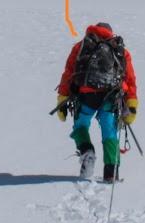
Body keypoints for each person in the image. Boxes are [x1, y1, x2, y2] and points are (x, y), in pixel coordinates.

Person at [54, 22, 138, 183]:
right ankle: (111, 172)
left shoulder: (81, 47)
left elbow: (68, 74)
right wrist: (131, 104)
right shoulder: (120, 50)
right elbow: (130, 80)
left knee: (80, 126)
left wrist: (63, 98)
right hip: (110, 97)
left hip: (86, 97)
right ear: (110, 33)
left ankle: (87, 151)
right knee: (110, 133)